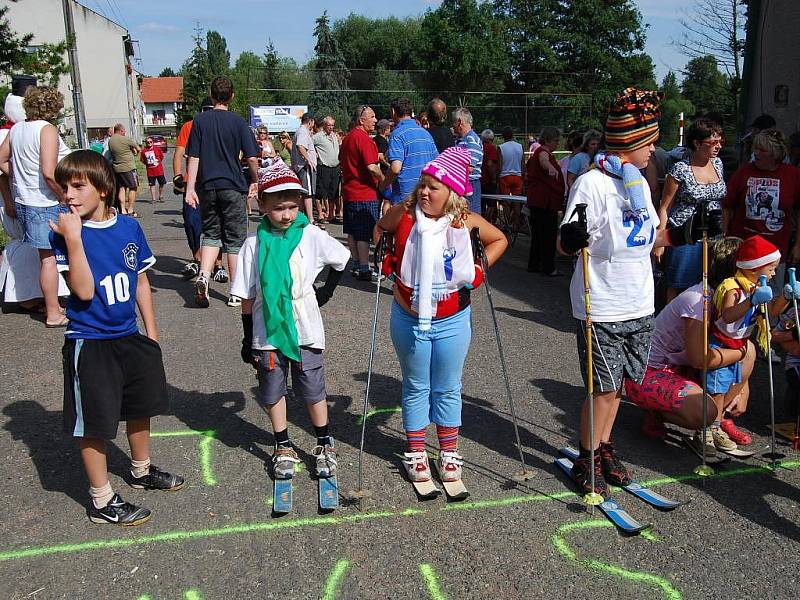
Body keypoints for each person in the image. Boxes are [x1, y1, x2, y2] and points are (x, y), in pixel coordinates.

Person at [558, 87, 691, 496]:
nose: (654, 149)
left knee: (621, 387)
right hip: (602, 301)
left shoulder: (636, 183)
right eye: (649, 141)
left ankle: (604, 446)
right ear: (630, 142)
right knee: (603, 387)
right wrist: (572, 235)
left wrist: (686, 232)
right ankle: (587, 456)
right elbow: (567, 243)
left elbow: (649, 237)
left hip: (637, 301)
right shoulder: (592, 184)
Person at [49, 150, 184, 525]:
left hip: (129, 336)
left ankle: (141, 470)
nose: (69, 195)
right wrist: (74, 240)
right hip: (90, 342)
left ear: (104, 189)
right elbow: (84, 291)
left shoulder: (128, 227)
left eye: (78, 186)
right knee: (94, 421)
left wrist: (151, 335)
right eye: (64, 187)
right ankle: (101, 499)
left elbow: (141, 280)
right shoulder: (65, 232)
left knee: (140, 406)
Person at [374, 147, 508, 485]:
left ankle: (448, 453)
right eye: (423, 184)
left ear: (451, 192)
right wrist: (387, 260)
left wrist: (479, 270)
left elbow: (500, 240)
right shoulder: (405, 214)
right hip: (409, 316)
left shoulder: (465, 223)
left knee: (448, 387)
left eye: (433, 187)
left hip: (451, 318)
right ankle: (417, 453)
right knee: (417, 385)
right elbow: (380, 229)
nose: (424, 192)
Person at [233, 160, 349, 480]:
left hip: (305, 325)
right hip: (267, 329)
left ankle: (324, 442)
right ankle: (282, 444)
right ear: (262, 205)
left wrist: (325, 292)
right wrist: (246, 337)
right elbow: (247, 294)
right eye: (278, 208)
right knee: (272, 390)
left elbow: (342, 259)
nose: (286, 214)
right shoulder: (253, 245)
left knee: (312, 388)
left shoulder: (310, 234)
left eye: (291, 207)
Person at [624, 237, 757, 452]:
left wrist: (744, 387)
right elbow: (700, 359)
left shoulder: (729, 297)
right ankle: (665, 413)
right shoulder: (699, 301)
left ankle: (717, 423)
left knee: (749, 350)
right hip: (648, 372)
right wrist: (740, 356)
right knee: (703, 411)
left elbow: (738, 339)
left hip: (681, 366)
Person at [709, 235, 796, 450]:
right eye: (771, 268)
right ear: (755, 268)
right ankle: (710, 428)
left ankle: (718, 422)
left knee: (730, 385)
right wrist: (751, 301)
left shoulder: (756, 286)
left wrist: (785, 297)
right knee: (717, 390)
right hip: (721, 344)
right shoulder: (732, 287)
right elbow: (727, 316)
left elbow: (771, 313)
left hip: (738, 344)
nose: (775, 273)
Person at [185, 76, 260, 308]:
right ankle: (236, 291)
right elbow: (252, 158)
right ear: (232, 96)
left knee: (210, 234)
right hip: (233, 185)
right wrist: (256, 180)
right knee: (235, 238)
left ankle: (204, 277)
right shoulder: (238, 123)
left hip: (207, 186)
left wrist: (190, 188)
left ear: (211, 93)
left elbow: (193, 156)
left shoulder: (199, 121)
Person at [0, 86, 70, 327]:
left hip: (25, 201)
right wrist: (64, 196)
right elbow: (49, 173)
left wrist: (19, 178)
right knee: (51, 259)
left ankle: (54, 304)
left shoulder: (17, 129)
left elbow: (1, 160)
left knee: (46, 257)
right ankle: (53, 312)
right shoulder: (46, 130)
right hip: (45, 201)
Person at [655, 118, 727, 303]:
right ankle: (673, 324)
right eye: (713, 142)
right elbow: (665, 206)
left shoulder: (718, 164)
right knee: (679, 284)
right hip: (685, 233)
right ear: (697, 143)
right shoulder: (681, 169)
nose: (718, 146)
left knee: (709, 283)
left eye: (721, 141)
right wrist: (660, 241)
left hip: (713, 234)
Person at [723, 129, 800, 300]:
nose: (755, 153)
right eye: (755, 149)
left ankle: (770, 327)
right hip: (743, 248)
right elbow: (726, 205)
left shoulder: (792, 174)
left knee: (773, 296)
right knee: (741, 295)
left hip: (776, 251)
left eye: (761, 150)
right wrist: (725, 236)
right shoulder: (744, 172)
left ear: (775, 153)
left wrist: (798, 245)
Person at [172, 97, 228, 283]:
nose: (208, 113)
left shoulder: (222, 124)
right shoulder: (190, 126)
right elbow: (179, 152)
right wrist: (177, 175)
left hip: (215, 181)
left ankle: (218, 264)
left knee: (217, 223)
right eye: (204, 109)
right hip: (193, 183)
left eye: (211, 109)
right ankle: (197, 258)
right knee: (191, 222)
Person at [339, 105, 385, 281]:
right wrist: (384, 181)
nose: (375, 120)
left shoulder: (348, 138)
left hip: (350, 191)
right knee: (364, 233)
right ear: (361, 120)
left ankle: (357, 264)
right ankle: (365, 269)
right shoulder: (363, 139)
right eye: (372, 117)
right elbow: (372, 168)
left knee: (352, 232)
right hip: (364, 192)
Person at [379, 97, 438, 210]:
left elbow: (396, 168)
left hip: (405, 198)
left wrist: (383, 185)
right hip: (424, 194)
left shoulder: (397, 135)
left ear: (393, 112)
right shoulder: (425, 134)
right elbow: (436, 163)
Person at [527, 126, 565, 276]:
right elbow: (543, 161)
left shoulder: (541, 152)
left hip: (539, 201)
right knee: (548, 236)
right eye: (556, 141)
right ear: (548, 140)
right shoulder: (543, 152)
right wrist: (551, 168)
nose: (557, 144)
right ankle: (548, 268)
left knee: (538, 235)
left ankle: (534, 264)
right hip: (545, 202)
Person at [452, 107, 483, 214]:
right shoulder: (460, 140)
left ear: (459, 122)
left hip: (470, 185)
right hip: (462, 185)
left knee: (471, 218)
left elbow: (469, 167)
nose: (452, 125)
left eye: (453, 122)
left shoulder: (471, 140)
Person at [313, 116, 340, 228]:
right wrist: (314, 154)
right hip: (324, 167)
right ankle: (320, 215)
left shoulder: (334, 135)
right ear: (324, 125)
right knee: (321, 191)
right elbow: (308, 144)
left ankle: (331, 215)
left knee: (333, 192)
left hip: (335, 167)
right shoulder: (318, 136)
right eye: (329, 125)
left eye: (332, 125)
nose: (331, 127)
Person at [107, 123, 140, 217]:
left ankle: (122, 209)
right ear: (121, 130)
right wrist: (134, 151)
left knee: (122, 188)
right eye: (124, 131)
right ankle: (130, 209)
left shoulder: (111, 141)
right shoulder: (126, 139)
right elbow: (138, 149)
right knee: (133, 187)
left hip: (116, 168)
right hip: (128, 167)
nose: (125, 132)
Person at [290, 113, 317, 224]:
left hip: (300, 166)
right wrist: (309, 160)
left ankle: (301, 216)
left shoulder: (300, 131)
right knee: (308, 193)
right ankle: (310, 219)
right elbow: (300, 146)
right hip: (304, 167)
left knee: (303, 193)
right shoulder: (303, 131)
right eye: (313, 122)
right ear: (310, 121)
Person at [497, 126, 525, 230]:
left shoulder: (501, 147)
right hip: (517, 176)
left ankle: (507, 224)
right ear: (513, 135)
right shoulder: (520, 147)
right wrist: (523, 177)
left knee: (506, 202)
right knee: (517, 201)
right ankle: (516, 224)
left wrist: (497, 178)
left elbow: (499, 166)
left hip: (505, 176)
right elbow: (523, 164)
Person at [140, 137, 166, 204]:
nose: (149, 143)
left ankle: (161, 196)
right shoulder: (144, 151)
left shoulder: (157, 149)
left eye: (150, 142)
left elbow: (161, 157)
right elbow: (142, 160)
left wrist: (157, 162)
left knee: (162, 184)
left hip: (159, 170)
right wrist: (148, 164)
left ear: (153, 142)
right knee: (152, 185)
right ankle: (153, 199)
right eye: (148, 142)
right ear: (145, 143)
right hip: (150, 171)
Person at [480, 128, 499, 221]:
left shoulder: (479, 146)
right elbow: (490, 164)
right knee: (491, 205)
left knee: (481, 205)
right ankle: (487, 225)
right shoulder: (491, 148)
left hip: (479, 180)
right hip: (488, 180)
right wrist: (494, 178)